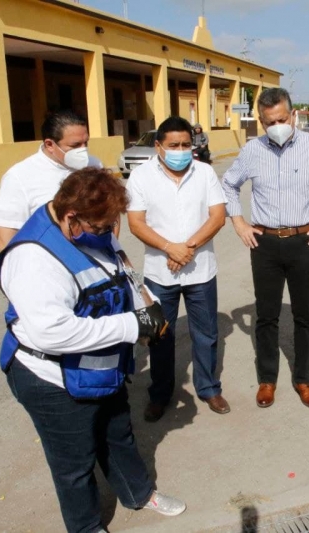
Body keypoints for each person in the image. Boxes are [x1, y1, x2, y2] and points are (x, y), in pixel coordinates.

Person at [0, 168, 185, 532]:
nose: (107, 234)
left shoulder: (93, 229)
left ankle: (138, 494)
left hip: (100, 366)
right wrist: (133, 326)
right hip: (51, 377)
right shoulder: (34, 258)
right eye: (101, 227)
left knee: (118, 434)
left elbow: (122, 273)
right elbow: (53, 332)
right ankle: (86, 527)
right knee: (74, 463)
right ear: (71, 217)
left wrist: (149, 306)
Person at [222, 87, 309, 409]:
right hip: (264, 243)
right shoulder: (253, 150)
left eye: (282, 118)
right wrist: (238, 222)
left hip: (305, 242)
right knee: (266, 316)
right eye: (270, 122)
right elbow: (228, 184)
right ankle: (267, 379)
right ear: (260, 120)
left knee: (304, 315)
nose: (277, 126)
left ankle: (303, 379)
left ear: (293, 114)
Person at [126, 117, 229, 421]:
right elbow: (135, 223)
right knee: (160, 336)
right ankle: (160, 394)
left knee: (206, 333)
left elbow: (217, 216)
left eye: (186, 144)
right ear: (158, 146)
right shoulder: (141, 177)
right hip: (160, 273)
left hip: (201, 271)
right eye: (174, 145)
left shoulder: (205, 173)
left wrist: (188, 247)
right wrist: (171, 248)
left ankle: (209, 388)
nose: (181, 150)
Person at [0, 110, 105, 251]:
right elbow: (6, 236)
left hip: (98, 261)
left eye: (86, 143)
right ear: (50, 144)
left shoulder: (94, 165)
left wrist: (117, 253)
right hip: (51, 265)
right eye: (75, 145)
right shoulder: (19, 176)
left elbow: (112, 214)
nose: (83, 150)